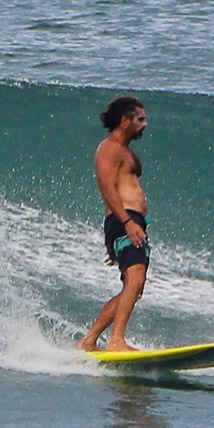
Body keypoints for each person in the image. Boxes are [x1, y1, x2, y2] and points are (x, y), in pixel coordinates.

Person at [78, 96, 150, 352]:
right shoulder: (110, 148)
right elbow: (106, 186)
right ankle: (116, 341)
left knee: (135, 286)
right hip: (125, 221)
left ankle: (89, 341)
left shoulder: (125, 150)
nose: (145, 125)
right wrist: (127, 223)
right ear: (124, 120)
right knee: (136, 276)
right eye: (140, 119)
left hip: (130, 223)